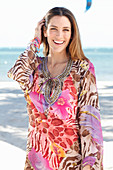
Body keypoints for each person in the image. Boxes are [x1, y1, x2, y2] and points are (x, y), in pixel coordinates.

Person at [8, 7, 103, 170]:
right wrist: (35, 41)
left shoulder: (82, 69)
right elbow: (17, 72)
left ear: (72, 34)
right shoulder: (35, 66)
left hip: (70, 163)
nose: (59, 35)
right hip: (36, 161)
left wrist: (89, 165)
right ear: (45, 31)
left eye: (66, 29)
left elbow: (90, 123)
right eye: (53, 29)